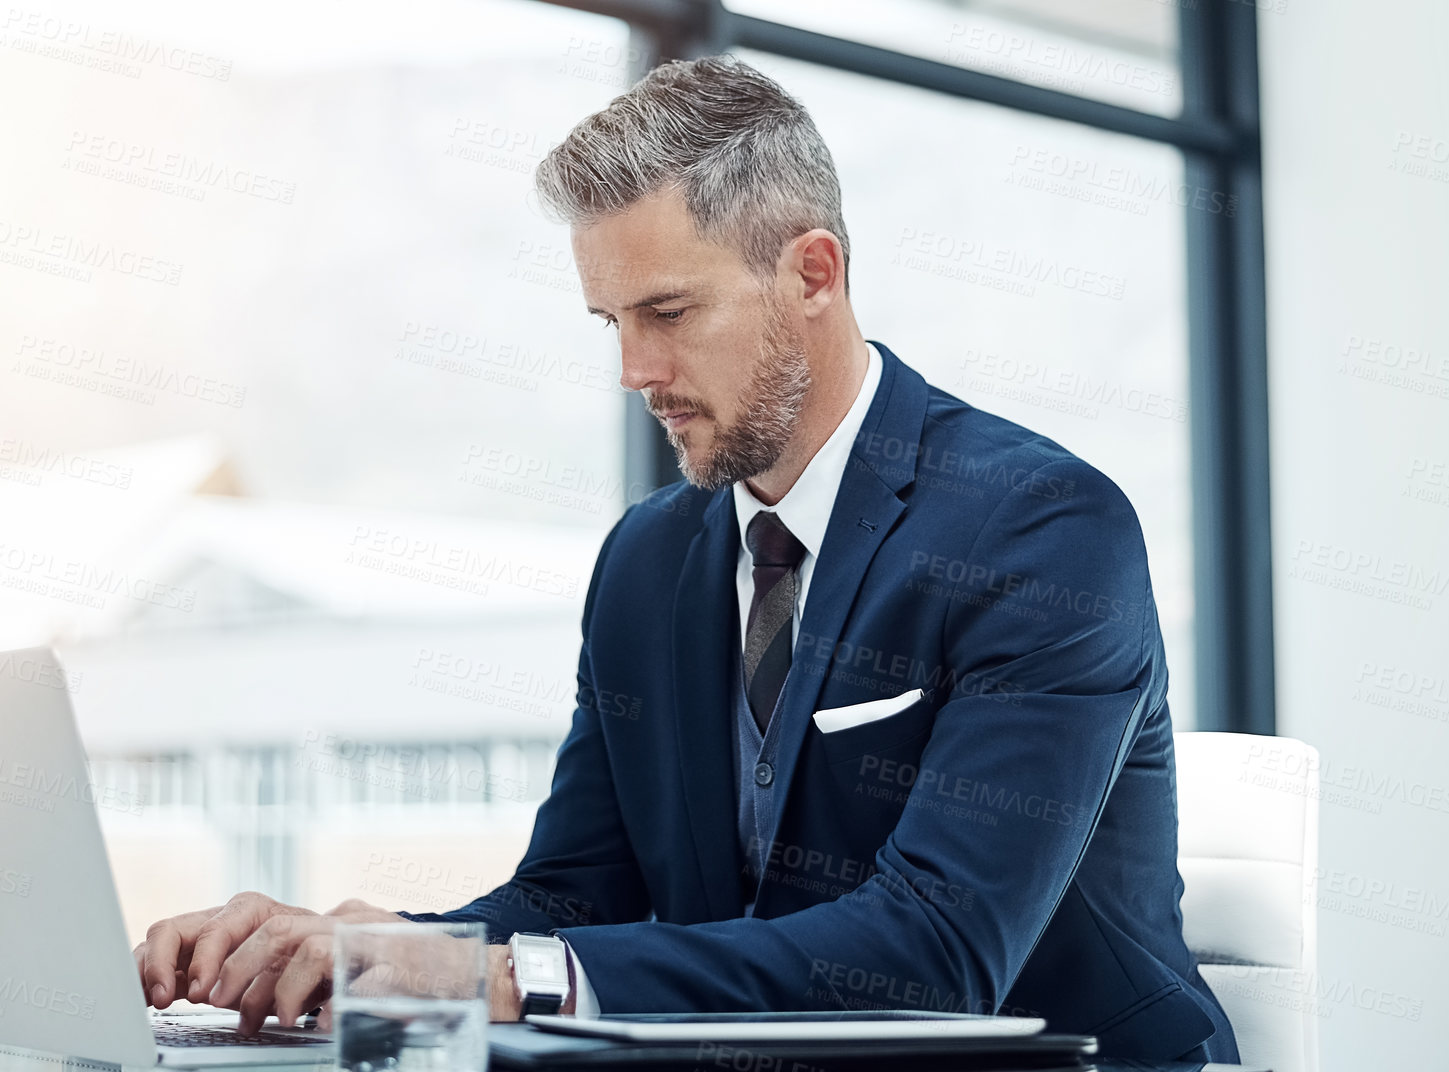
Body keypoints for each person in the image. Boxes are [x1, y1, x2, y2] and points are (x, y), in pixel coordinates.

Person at [135, 55, 1238, 1064]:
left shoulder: (1043, 529)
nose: (634, 370)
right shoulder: (645, 561)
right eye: (610, 321)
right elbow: (576, 898)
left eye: (668, 311)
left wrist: (499, 977)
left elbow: (938, 951)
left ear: (813, 273)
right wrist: (353, 950)